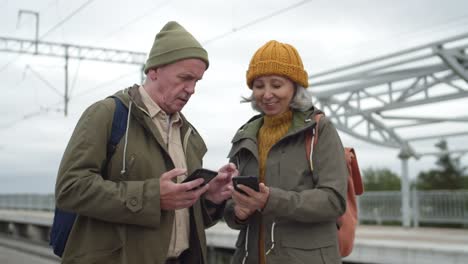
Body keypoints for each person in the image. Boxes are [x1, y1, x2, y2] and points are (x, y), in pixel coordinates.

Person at [54, 21, 237, 264]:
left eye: (197, 81)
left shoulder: (189, 136)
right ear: (154, 71)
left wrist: (210, 199)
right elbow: (70, 188)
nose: (191, 89)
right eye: (185, 78)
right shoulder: (107, 114)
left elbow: (181, 220)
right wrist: (152, 197)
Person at [223, 40, 349, 264]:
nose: (267, 94)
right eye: (259, 85)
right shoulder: (246, 135)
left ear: (295, 87)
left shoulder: (319, 129)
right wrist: (237, 212)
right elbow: (233, 212)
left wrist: (270, 200)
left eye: (277, 85)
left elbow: (334, 200)